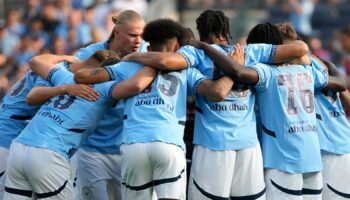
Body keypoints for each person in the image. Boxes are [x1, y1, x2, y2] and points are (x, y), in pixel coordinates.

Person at [121, 10, 309, 200]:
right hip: (248, 146)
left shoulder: (195, 52)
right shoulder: (250, 51)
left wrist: (133, 57)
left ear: (201, 34)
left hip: (213, 145)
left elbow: (164, 60)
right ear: (227, 33)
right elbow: (301, 48)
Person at [74, 18, 237, 200]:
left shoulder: (128, 66)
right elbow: (217, 92)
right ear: (177, 49)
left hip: (133, 146)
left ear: (149, 48)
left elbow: (82, 76)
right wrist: (235, 69)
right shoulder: (186, 70)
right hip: (169, 145)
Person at [190, 22, 346, 200]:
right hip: (312, 159)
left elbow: (237, 71)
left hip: (283, 161)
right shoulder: (306, 71)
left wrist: (205, 47)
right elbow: (340, 84)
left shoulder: (265, 73)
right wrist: (313, 60)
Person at [3, 50, 156, 200]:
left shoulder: (64, 77)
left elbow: (35, 61)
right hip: (49, 152)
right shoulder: (105, 88)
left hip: (19, 147)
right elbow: (136, 85)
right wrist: (156, 62)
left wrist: (67, 59)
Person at [0, 55, 99, 199]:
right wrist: (65, 88)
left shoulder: (48, 66)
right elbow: (32, 98)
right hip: (8, 137)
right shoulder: (54, 73)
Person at [279, 22, 350, 200]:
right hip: (343, 141)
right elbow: (347, 101)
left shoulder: (295, 69)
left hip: (329, 150)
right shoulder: (324, 65)